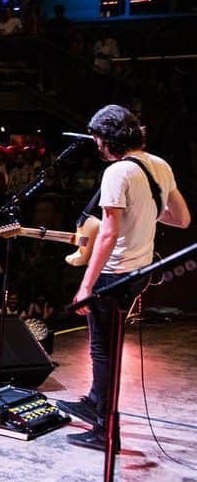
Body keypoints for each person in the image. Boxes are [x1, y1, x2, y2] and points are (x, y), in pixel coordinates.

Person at [64, 105, 190, 451]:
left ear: (109, 139)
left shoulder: (117, 172)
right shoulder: (159, 165)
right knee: (107, 347)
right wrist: (145, 213)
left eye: (98, 140)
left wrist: (86, 285)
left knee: (102, 350)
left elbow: (107, 234)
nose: (97, 147)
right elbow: (181, 218)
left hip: (114, 273)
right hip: (140, 271)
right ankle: (94, 401)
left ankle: (106, 430)